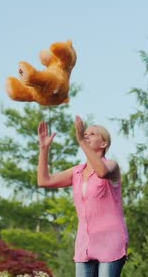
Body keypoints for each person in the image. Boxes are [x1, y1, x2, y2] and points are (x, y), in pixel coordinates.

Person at [37, 116, 128, 277]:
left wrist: (81, 141)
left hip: (111, 241)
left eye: (92, 134)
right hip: (84, 243)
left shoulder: (112, 166)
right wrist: (44, 149)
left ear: (104, 143)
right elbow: (44, 180)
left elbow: (102, 172)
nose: (86, 135)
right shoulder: (77, 172)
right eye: (85, 133)